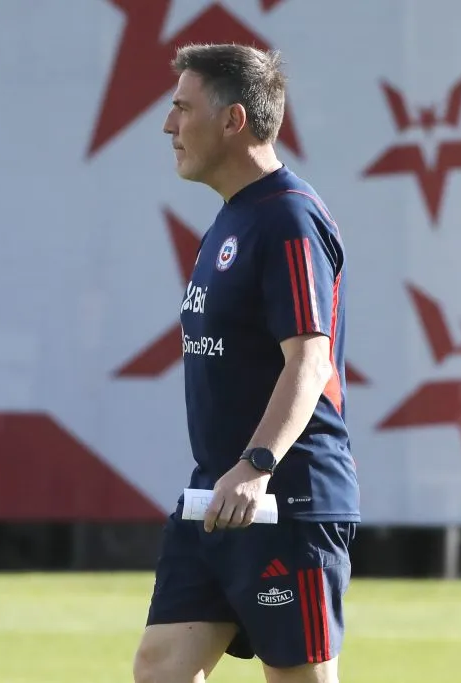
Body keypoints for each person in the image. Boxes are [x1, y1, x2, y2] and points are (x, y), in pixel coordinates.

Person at [132, 44, 360, 683]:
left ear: (233, 120)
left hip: (283, 498)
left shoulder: (287, 217)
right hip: (217, 494)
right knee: (160, 669)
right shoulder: (234, 218)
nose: (168, 125)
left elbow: (310, 357)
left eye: (182, 108)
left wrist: (257, 466)